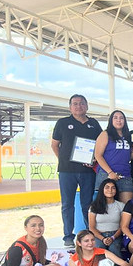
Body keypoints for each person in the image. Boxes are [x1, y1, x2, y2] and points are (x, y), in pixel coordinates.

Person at [52, 94, 103, 246]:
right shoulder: (62, 123)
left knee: (87, 204)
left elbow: (101, 145)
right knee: (67, 204)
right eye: (75, 104)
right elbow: (55, 145)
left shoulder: (94, 124)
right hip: (67, 171)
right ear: (70, 107)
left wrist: (94, 159)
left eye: (81, 103)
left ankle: (89, 235)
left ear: (87, 106)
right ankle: (68, 236)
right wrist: (63, 160)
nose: (78, 106)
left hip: (87, 171)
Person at [93, 110, 133, 204]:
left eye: (121, 118)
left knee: (126, 207)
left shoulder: (128, 136)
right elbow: (98, 155)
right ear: (111, 120)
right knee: (105, 208)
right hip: (107, 175)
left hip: (125, 175)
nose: (118, 120)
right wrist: (110, 172)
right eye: (115, 118)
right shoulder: (105, 134)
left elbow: (127, 158)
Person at [87, 179, 125, 256]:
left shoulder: (121, 206)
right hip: (98, 235)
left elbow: (123, 226)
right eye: (107, 187)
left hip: (115, 235)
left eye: (113, 188)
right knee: (99, 249)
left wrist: (113, 237)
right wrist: (103, 239)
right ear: (102, 190)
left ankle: (119, 265)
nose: (110, 190)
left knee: (114, 249)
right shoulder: (94, 206)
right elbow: (91, 227)